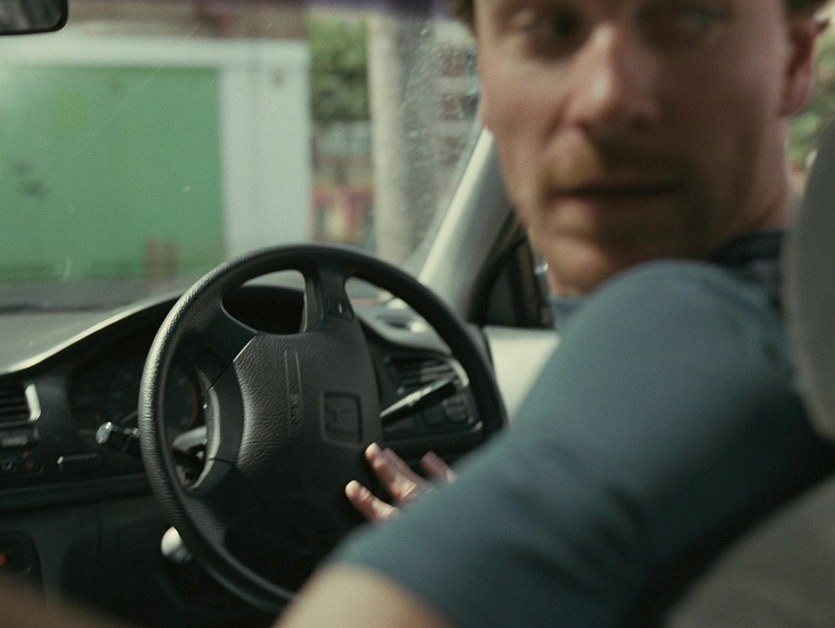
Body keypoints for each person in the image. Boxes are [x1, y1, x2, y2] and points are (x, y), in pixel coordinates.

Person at [276, 0, 835, 626]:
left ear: (794, 61)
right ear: (485, 72)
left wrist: (468, 549)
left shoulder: (704, 318)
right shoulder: (803, 328)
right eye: (550, 26)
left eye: (688, 19)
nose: (605, 99)